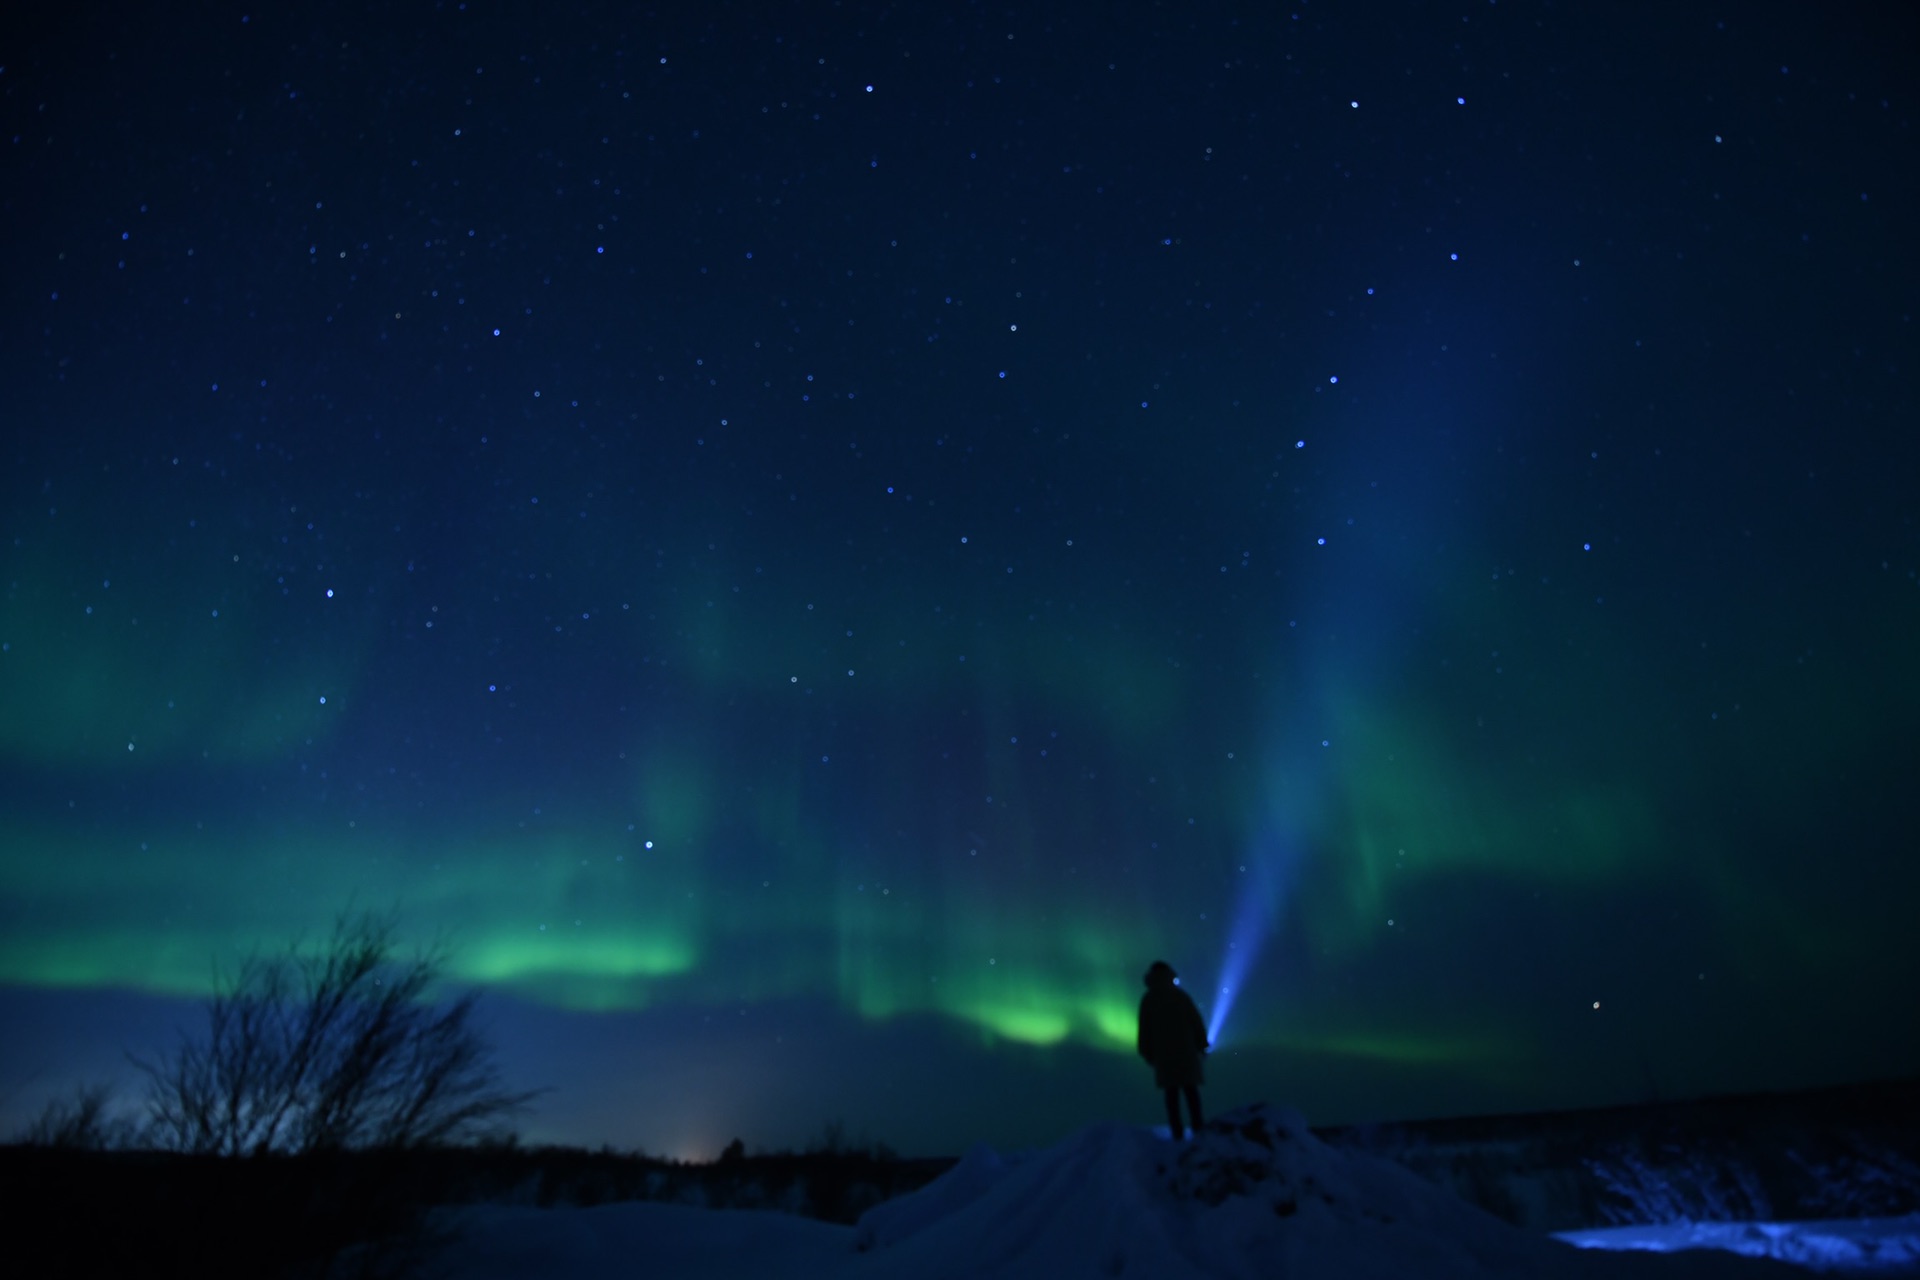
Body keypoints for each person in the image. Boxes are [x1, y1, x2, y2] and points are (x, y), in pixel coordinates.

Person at [1136, 959, 1209, 1139]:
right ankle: (1198, 1130)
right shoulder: (1180, 996)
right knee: (1191, 1091)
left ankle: (1177, 1134)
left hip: (1164, 1055)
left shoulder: (1148, 1000)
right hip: (1187, 1053)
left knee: (1171, 1094)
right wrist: (1202, 1045)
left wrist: (1146, 1052)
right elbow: (1196, 1022)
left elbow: (1144, 1029)